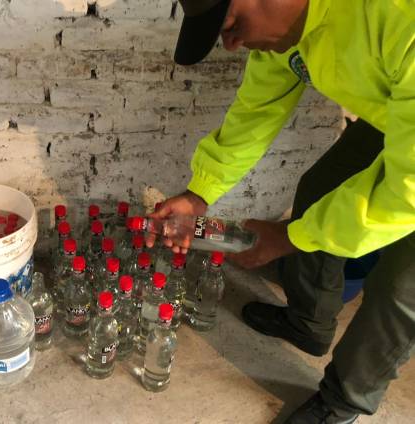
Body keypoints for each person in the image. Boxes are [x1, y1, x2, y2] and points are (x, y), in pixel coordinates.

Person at [146, 1, 415, 423]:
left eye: (232, 24)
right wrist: (200, 192)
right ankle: (309, 322)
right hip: (398, 112)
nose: (231, 45)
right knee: (320, 191)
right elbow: (257, 109)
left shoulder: (399, 18)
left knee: (400, 288)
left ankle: (344, 401)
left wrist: (289, 237)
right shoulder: (285, 33)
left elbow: (406, 193)